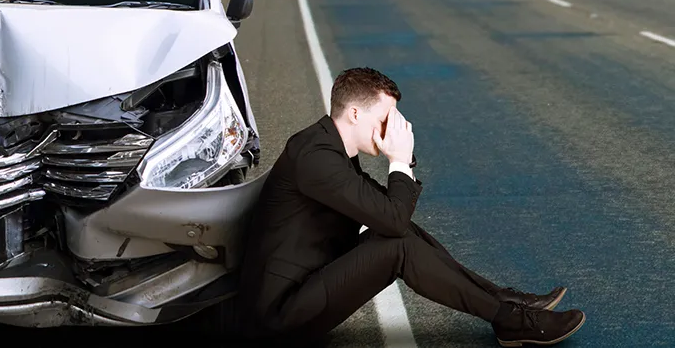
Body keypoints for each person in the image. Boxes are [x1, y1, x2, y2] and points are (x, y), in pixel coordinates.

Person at [236, 67, 586, 347]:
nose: (391, 127)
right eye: (385, 118)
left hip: (308, 285)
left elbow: (389, 213)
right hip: (282, 316)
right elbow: (393, 216)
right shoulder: (316, 157)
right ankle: (510, 320)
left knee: (398, 233)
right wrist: (399, 161)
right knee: (398, 244)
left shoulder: (328, 147)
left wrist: (402, 161)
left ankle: (504, 302)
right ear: (355, 113)